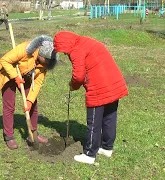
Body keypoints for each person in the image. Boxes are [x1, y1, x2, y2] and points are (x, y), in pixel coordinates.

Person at [53, 31, 128, 164]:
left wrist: (73, 85)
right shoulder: (86, 41)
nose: (64, 53)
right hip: (114, 82)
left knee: (93, 122)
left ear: (66, 45)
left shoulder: (76, 50)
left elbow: (79, 76)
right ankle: (107, 147)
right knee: (109, 116)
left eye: (63, 50)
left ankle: (89, 154)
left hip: (99, 88)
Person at [0, 35, 58, 150]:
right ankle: (9, 136)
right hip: (8, 74)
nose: (48, 63)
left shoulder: (44, 65)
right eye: (47, 60)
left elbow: (37, 84)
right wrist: (15, 77)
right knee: (9, 106)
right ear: (41, 55)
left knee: (33, 104)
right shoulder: (25, 49)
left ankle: (33, 133)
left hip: (27, 76)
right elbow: (4, 60)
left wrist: (29, 101)